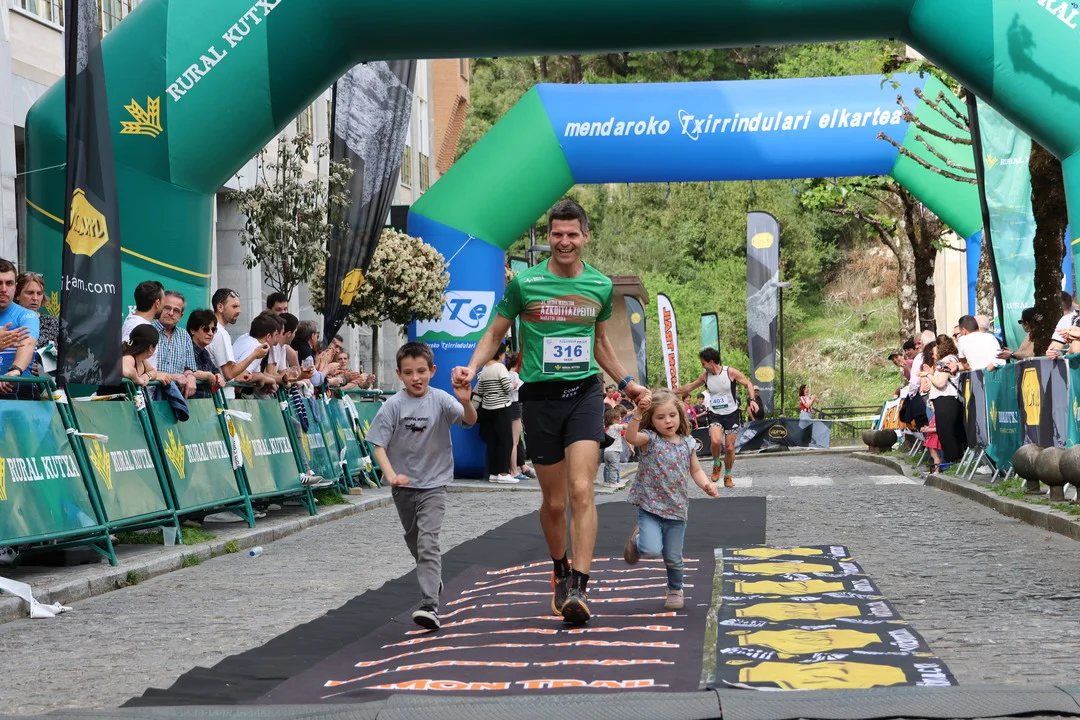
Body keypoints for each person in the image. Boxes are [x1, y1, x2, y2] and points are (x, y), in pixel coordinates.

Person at [451, 198, 645, 626]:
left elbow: (599, 343)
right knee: (555, 503)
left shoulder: (599, 286)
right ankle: (559, 568)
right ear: (549, 238)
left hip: (584, 394)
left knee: (582, 490)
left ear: (586, 236)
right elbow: (495, 332)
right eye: (557, 234)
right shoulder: (525, 284)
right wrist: (472, 366)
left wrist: (627, 383)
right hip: (539, 399)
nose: (564, 241)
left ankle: (579, 586)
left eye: (572, 234)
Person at [366, 342, 477, 631]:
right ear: (399, 374)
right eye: (408, 373)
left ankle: (430, 605)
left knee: (428, 543)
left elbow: (469, 420)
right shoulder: (393, 406)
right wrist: (391, 475)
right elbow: (378, 445)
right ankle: (432, 576)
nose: (416, 378)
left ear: (432, 371)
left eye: (421, 371)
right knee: (414, 540)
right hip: (403, 486)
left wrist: (466, 401)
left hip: (434, 484)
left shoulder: (441, 400)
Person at [621, 388, 719, 610]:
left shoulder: (687, 443)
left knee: (673, 557)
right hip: (650, 508)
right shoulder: (650, 440)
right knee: (651, 550)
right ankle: (637, 539)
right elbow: (631, 437)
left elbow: (695, 470)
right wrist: (638, 413)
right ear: (652, 419)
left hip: (677, 510)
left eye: (672, 415)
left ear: (680, 415)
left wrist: (706, 485)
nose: (668, 421)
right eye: (661, 417)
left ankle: (675, 589)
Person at [673, 348, 758, 488]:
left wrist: (752, 400)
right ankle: (716, 463)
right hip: (715, 414)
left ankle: (728, 475)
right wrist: (673, 391)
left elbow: (748, 384)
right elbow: (690, 386)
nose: (702, 366)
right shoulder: (705, 376)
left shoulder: (730, 372)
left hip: (731, 414)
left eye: (703, 363)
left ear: (711, 362)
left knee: (729, 448)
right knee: (716, 441)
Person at [209, 288, 267, 399]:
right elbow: (229, 374)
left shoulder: (219, 331)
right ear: (220, 307)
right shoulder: (220, 333)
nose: (239, 311)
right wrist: (254, 355)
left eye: (239, 306)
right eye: (234, 306)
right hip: (221, 399)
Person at [475, 342, 516, 484]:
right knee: (505, 441)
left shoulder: (484, 368)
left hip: (487, 408)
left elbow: (480, 390)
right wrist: (513, 385)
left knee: (492, 441)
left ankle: (493, 473)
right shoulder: (500, 367)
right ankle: (504, 473)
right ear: (500, 354)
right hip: (502, 407)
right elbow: (507, 387)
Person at [922, 338, 965, 464]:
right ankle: (955, 460)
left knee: (946, 432)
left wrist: (927, 375)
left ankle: (953, 461)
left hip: (946, 400)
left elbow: (940, 383)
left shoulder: (946, 360)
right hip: (949, 400)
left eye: (934, 351)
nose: (932, 355)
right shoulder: (952, 359)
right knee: (951, 431)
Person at [0, 258, 39, 399]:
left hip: (16, 389)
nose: (4, 289)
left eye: (9, 283)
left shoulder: (26, 316)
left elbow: (28, 344)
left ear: (15, 286)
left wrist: (15, 370)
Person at [152, 290, 199, 398]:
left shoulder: (184, 335)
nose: (171, 313)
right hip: (149, 397)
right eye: (167, 308)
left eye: (176, 310)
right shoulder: (147, 329)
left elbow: (189, 368)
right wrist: (170, 377)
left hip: (175, 398)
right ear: (159, 307)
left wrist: (191, 377)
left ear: (181, 316)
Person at [122, 280, 164, 369]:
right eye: (163, 300)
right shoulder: (136, 326)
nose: (164, 305)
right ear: (157, 303)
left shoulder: (135, 322)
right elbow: (127, 362)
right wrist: (149, 375)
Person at [185, 309, 226, 398]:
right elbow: (183, 372)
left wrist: (218, 376)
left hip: (205, 402)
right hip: (189, 402)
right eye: (206, 329)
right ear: (192, 330)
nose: (210, 333)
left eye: (213, 329)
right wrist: (207, 375)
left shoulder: (205, 352)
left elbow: (215, 370)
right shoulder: (185, 349)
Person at [14, 272, 57, 349]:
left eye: (39, 293)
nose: (35, 298)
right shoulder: (8, 321)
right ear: (17, 295)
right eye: (30, 293)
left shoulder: (52, 323)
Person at [1047, 291, 1079, 359]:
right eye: (1076, 311)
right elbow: (1054, 347)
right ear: (1072, 303)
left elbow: (1075, 348)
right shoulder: (1066, 319)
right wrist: (1052, 352)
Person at [601, 405, 625, 486]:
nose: (620, 419)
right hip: (614, 451)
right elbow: (624, 427)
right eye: (618, 418)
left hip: (607, 451)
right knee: (614, 467)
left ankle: (607, 481)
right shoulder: (615, 426)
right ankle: (613, 482)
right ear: (613, 419)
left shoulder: (607, 427)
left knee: (608, 467)